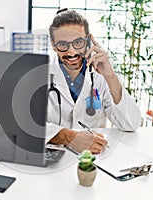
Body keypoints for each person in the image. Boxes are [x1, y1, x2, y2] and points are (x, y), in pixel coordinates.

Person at [46, 8, 141, 154]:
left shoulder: (102, 74)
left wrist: (109, 75)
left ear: (89, 40)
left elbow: (131, 124)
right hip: (54, 156)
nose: (71, 52)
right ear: (53, 45)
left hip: (94, 158)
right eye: (63, 45)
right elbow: (24, 124)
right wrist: (69, 137)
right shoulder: (40, 74)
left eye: (78, 43)